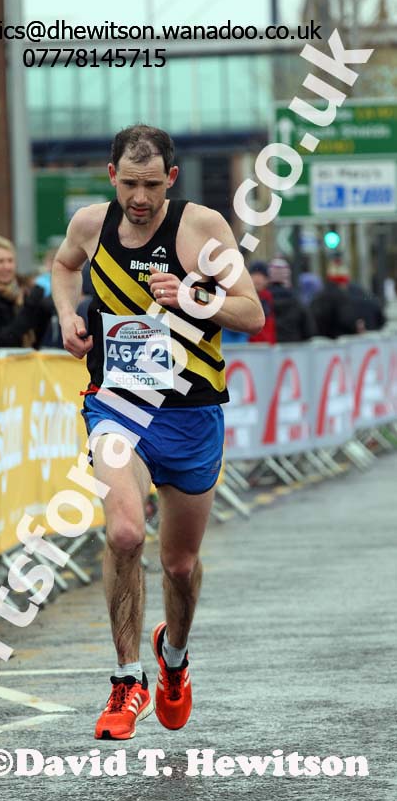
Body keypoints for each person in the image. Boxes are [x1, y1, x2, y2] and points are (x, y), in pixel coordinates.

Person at [51, 124, 264, 740]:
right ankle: (125, 679)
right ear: (110, 174)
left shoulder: (204, 230)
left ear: (171, 179)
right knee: (122, 531)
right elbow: (64, 268)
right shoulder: (91, 225)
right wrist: (67, 316)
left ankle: (174, 659)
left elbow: (251, 312)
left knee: (179, 564)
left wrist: (194, 299)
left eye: (151, 185)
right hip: (116, 405)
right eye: (128, 183)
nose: (138, 198)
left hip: (192, 415)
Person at [268, 257, 316, 342]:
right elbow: (309, 330)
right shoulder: (297, 303)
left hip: (265, 352)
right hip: (293, 350)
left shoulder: (263, 302)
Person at [310, 258, 360, 339]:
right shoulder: (342, 298)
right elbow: (347, 321)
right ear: (343, 282)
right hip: (338, 343)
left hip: (321, 343)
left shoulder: (318, 296)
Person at [248, 261, 276, 344]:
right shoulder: (243, 297)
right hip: (248, 348)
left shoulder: (271, 298)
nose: (258, 279)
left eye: (262, 276)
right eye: (255, 275)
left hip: (268, 347)